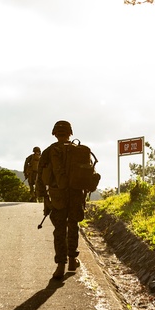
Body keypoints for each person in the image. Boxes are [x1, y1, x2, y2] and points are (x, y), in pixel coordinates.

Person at [36, 120, 88, 280]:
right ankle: (72, 260)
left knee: (59, 229)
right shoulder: (79, 150)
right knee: (73, 225)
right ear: (70, 133)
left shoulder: (48, 151)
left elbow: (40, 177)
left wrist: (43, 197)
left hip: (57, 195)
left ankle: (60, 265)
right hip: (76, 194)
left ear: (54, 133)